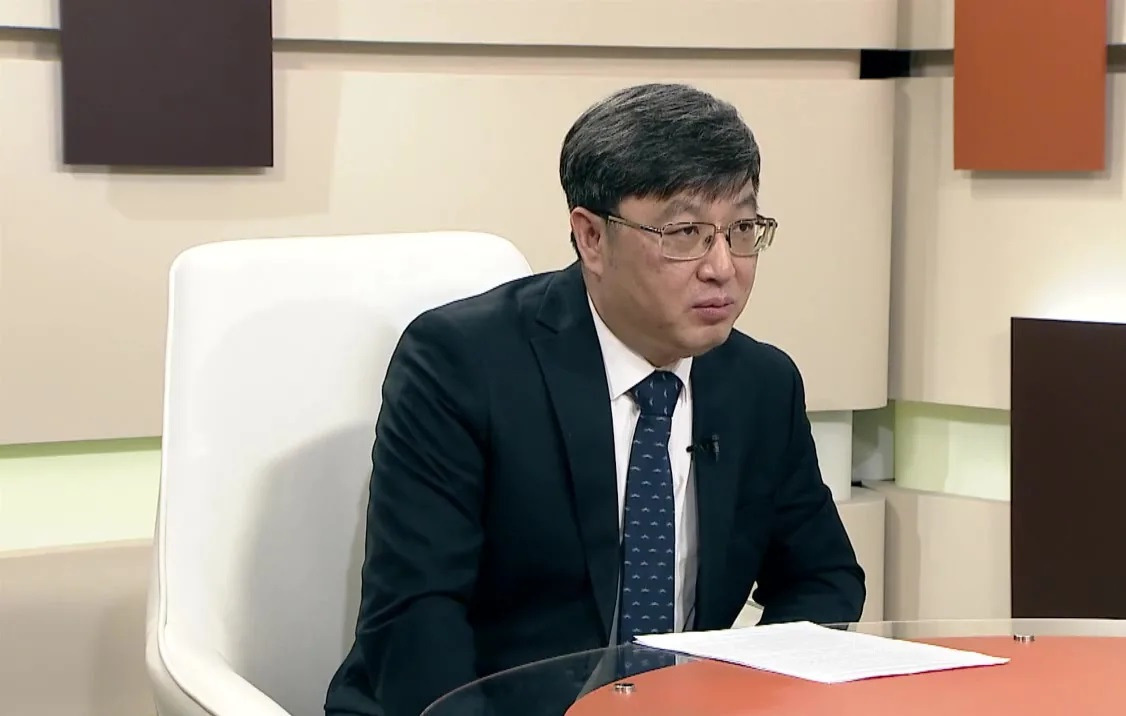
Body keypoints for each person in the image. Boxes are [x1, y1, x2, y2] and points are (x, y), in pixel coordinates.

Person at [324, 83, 864, 716]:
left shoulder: (761, 384)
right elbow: (414, 621)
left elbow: (822, 579)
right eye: (686, 232)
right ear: (592, 238)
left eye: (741, 229)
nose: (723, 266)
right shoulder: (461, 364)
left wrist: (742, 695)